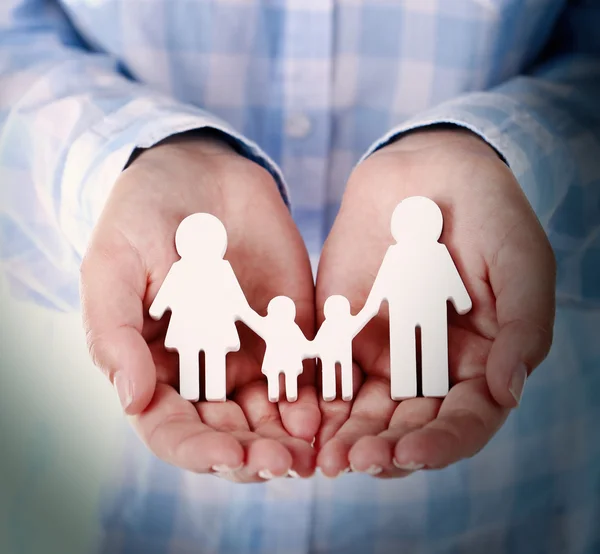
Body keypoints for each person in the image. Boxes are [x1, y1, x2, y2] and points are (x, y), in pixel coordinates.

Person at [1, 0, 598, 552]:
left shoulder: (427, 256)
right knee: (224, 369)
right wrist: (117, 168)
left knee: (423, 358)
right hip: (150, 502)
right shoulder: (210, 273)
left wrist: (512, 160)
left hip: (510, 503)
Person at [360, 196, 472, 399]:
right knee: (408, 345)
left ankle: (431, 384)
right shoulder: (398, 253)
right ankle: (409, 385)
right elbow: (383, 282)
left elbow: (449, 276)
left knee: (430, 344)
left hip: (422, 309)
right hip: (413, 310)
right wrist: (372, 305)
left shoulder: (435, 251)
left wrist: (462, 301)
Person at [149, 213, 263, 402]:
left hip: (204, 326)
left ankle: (211, 392)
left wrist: (157, 310)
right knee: (192, 356)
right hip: (196, 326)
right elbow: (165, 296)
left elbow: (236, 299)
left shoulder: (218, 268)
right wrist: (157, 309)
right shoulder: (183, 268)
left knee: (210, 356)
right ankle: (192, 391)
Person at [256, 296, 313, 403]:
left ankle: (288, 393)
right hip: (282, 359)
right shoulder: (275, 326)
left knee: (287, 375)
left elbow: (302, 343)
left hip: (283, 359)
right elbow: (303, 343)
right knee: (277, 375)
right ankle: (280, 393)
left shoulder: (289, 327)